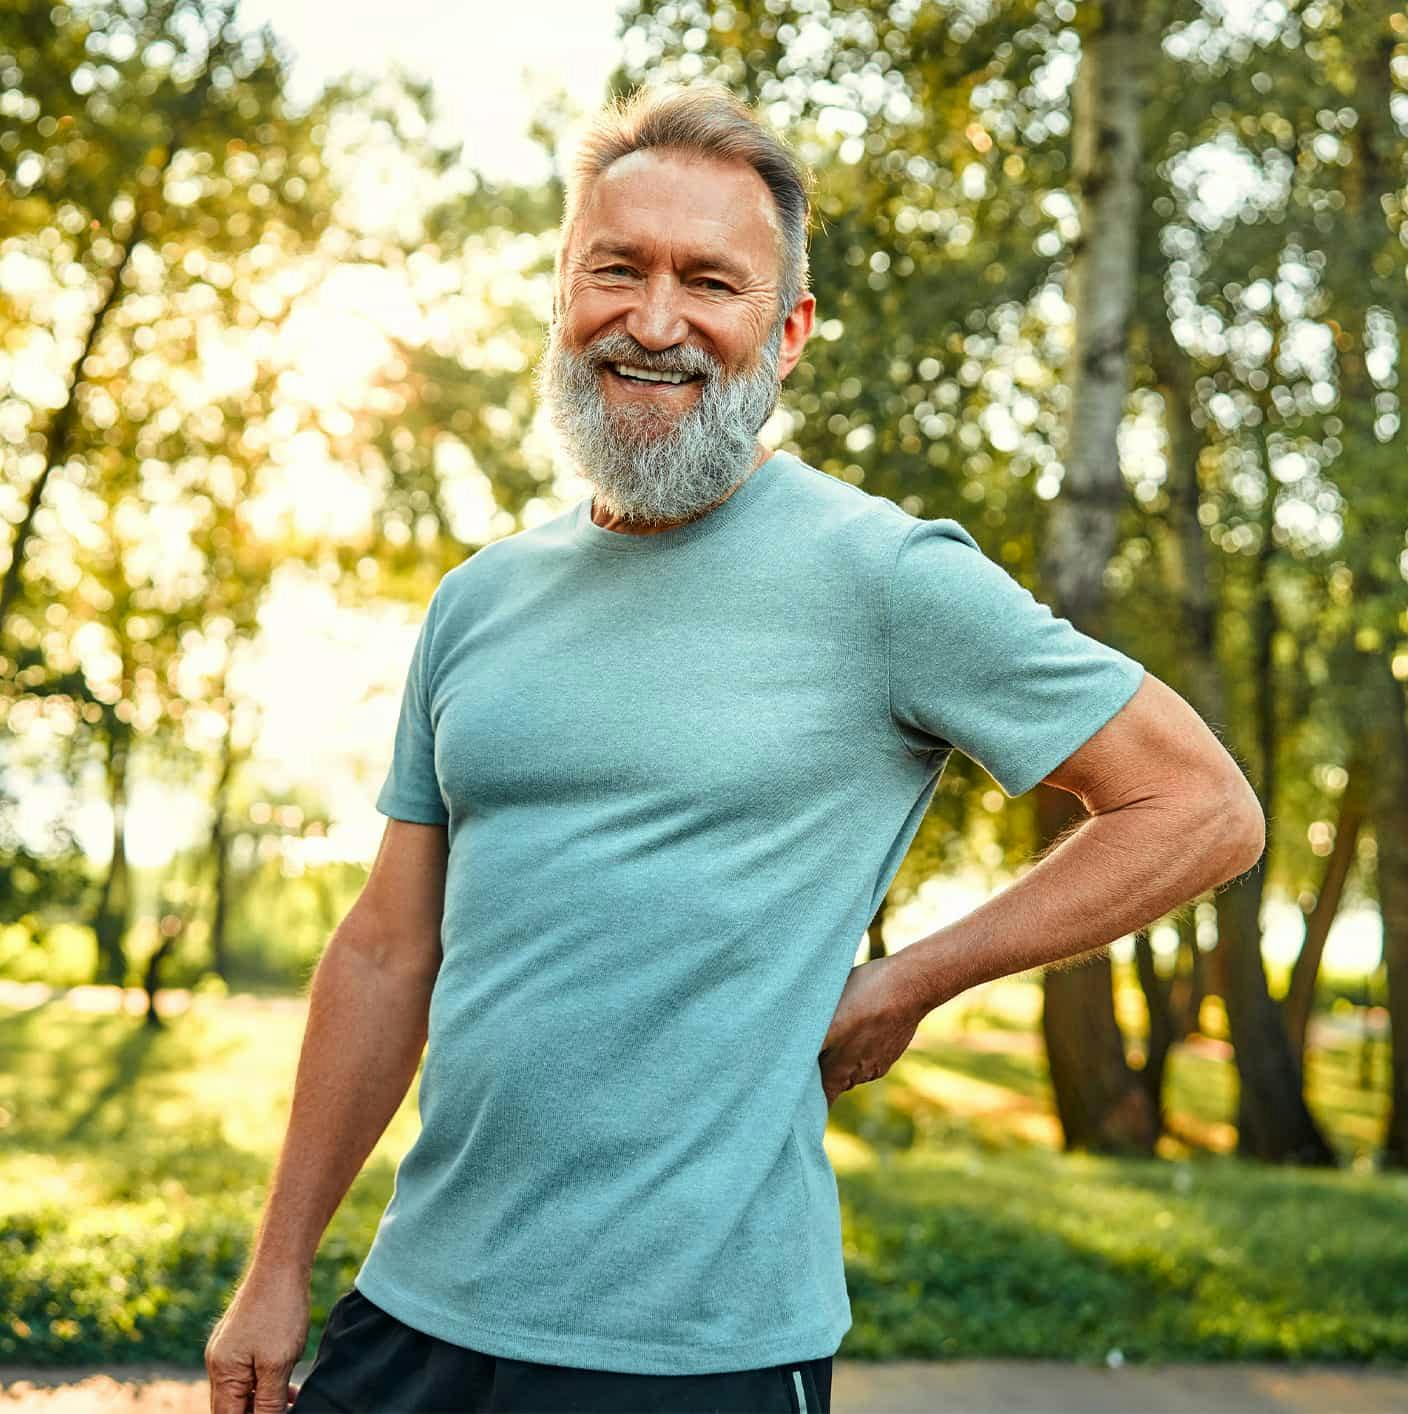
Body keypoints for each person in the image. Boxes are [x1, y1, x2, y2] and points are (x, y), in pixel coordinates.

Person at [204, 81, 1265, 1414]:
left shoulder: (886, 576)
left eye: (710, 282)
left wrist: (910, 981)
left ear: (789, 331)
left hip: (699, 1356)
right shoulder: (477, 602)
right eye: (618, 270)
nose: (656, 322)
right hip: (413, 1319)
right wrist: (278, 1264)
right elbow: (383, 950)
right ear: (563, 295)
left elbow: (1200, 805)